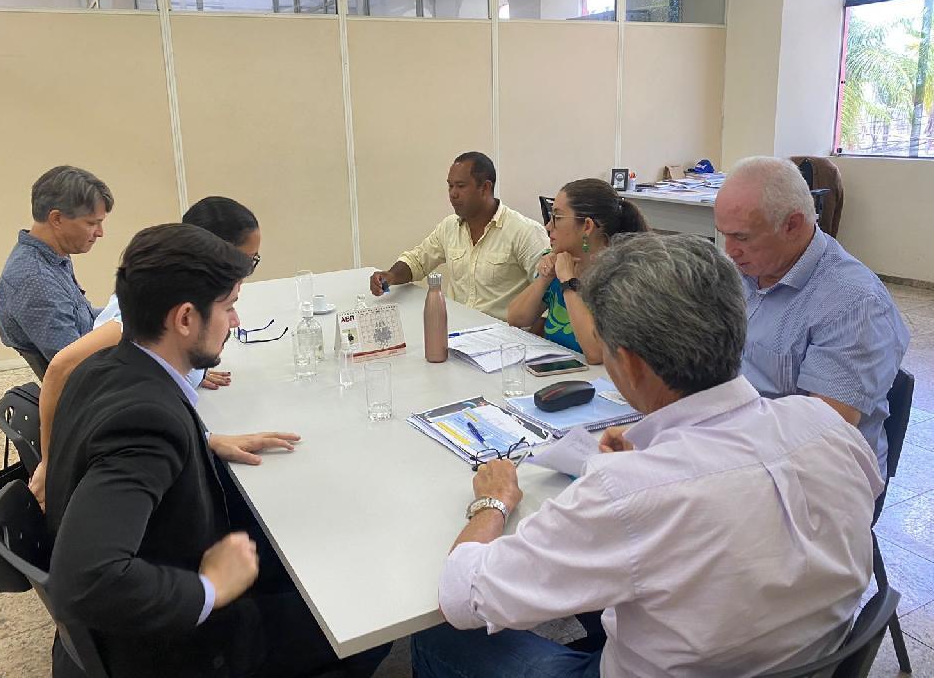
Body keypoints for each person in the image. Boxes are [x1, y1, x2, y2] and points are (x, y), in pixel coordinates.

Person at [411, 233, 883, 678]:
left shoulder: (626, 492)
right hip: (809, 659)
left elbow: (461, 596)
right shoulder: (828, 427)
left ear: (631, 364)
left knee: (439, 639)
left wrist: (491, 503)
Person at [45, 223, 388, 678]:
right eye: (228, 308)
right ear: (186, 319)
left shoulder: (103, 368)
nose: (236, 322)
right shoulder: (148, 422)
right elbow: (83, 581)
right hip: (181, 648)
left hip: (154, 590)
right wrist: (209, 589)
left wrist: (201, 440)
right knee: (367, 624)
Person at [29, 196, 262, 508]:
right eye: (247, 261)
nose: (235, 320)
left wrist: (188, 362)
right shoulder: (131, 332)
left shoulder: (159, 325)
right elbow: (60, 367)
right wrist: (49, 464)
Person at [715, 156, 909, 478]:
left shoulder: (854, 304)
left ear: (792, 224)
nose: (729, 250)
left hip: (814, 476)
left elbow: (822, 433)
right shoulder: (747, 271)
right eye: (725, 235)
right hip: (742, 445)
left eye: (742, 237)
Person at [368, 152, 548, 321]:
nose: (453, 194)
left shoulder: (524, 231)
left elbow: (549, 290)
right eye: (450, 186)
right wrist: (391, 276)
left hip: (503, 335)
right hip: (456, 329)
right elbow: (417, 261)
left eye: (461, 186)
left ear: (485, 188)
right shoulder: (449, 227)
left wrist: (534, 334)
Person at [507, 179, 647, 363]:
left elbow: (597, 353)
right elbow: (516, 319)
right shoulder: (561, 263)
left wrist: (569, 282)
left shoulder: (621, 276)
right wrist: (545, 278)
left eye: (557, 218)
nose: (548, 227)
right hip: (561, 372)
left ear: (587, 226)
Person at [0, 165, 113, 370]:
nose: (100, 233)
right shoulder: (35, 279)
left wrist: (131, 314)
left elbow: (82, 320)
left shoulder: (52, 257)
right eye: (91, 223)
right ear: (57, 219)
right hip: (91, 380)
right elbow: (77, 364)